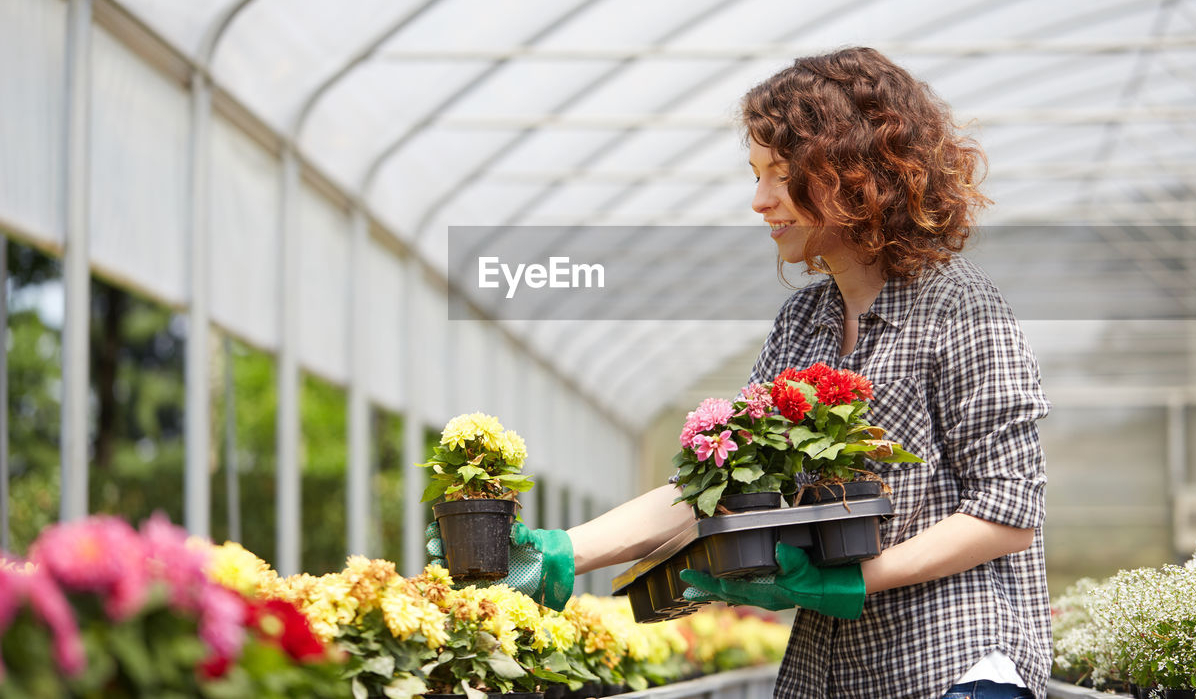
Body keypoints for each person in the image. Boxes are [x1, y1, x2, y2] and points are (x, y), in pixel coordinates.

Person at [428, 47, 1051, 699]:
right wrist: (560, 552)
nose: (758, 200)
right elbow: (714, 483)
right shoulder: (802, 323)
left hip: (957, 666)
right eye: (756, 174)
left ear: (851, 171)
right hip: (836, 671)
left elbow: (1008, 510)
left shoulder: (959, 304)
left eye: (778, 174)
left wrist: (854, 578)